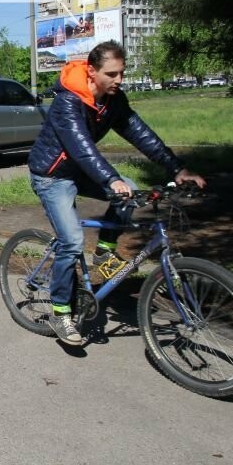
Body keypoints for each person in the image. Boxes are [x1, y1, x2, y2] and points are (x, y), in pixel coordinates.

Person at [28, 40, 206, 345]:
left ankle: (104, 252)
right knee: (71, 241)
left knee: (132, 191)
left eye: (121, 73)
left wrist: (176, 168)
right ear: (92, 71)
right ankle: (60, 311)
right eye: (112, 73)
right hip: (52, 176)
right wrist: (111, 179)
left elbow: (141, 134)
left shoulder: (112, 100)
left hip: (82, 172)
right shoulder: (67, 102)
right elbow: (80, 147)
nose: (119, 80)